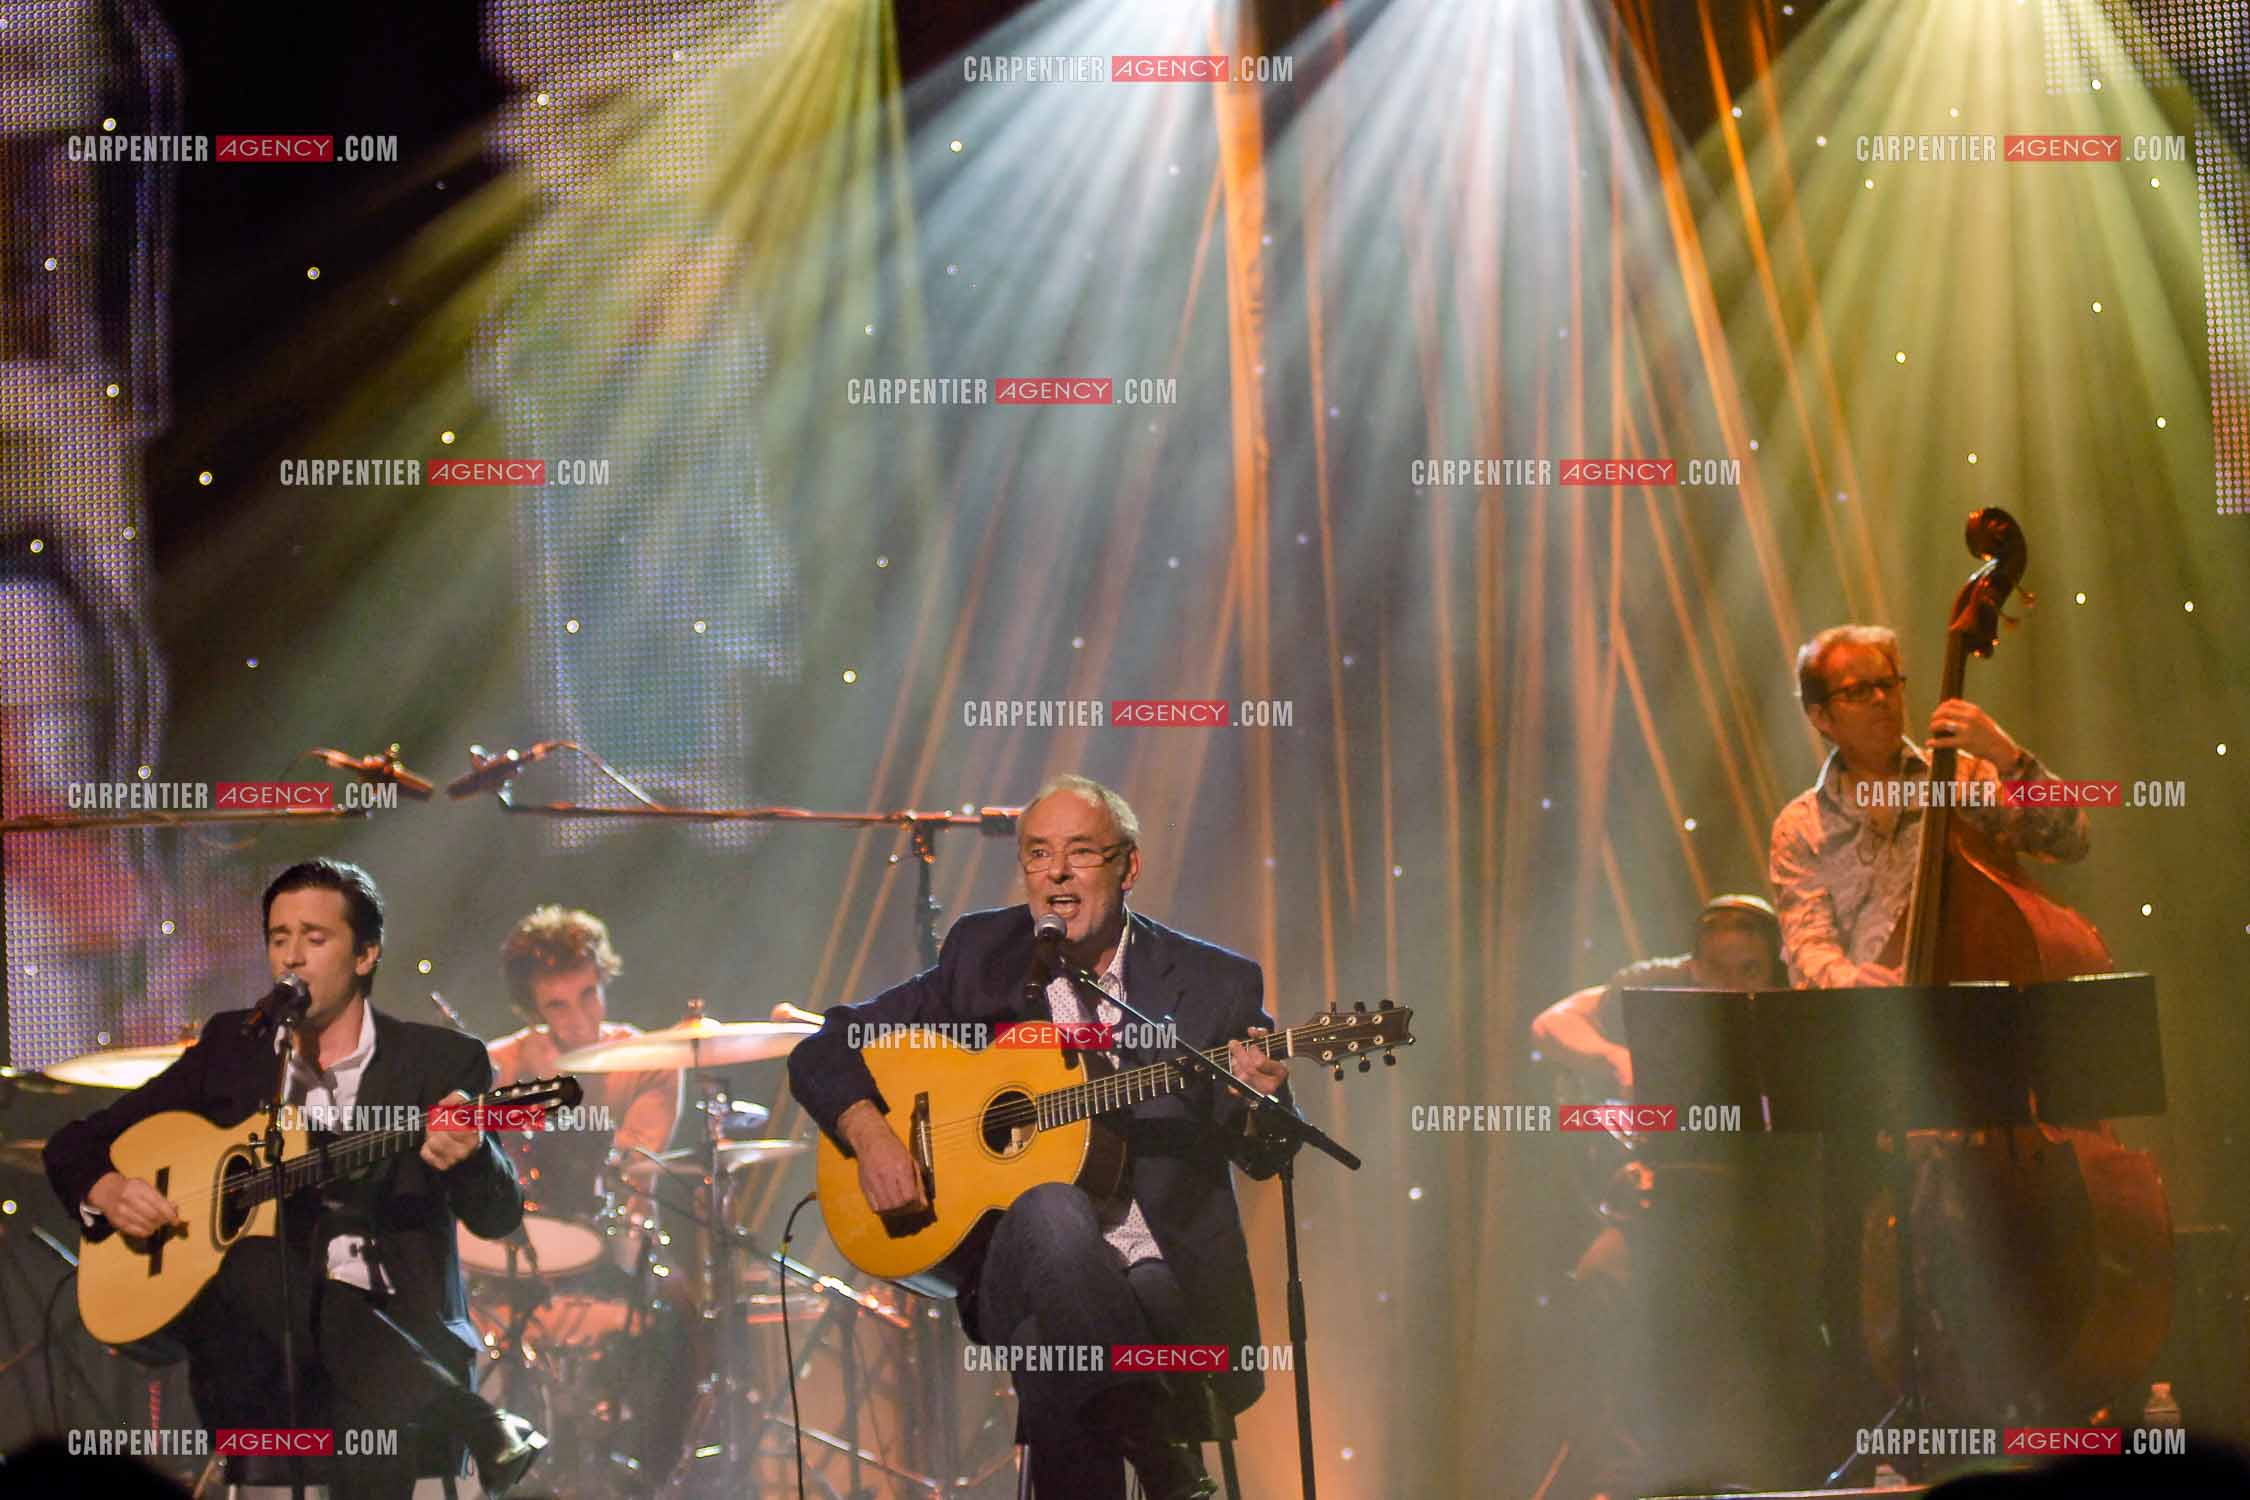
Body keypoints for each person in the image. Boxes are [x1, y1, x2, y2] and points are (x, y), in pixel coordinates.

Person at [788, 774, 1297, 1500]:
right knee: (1052, 1207)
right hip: (1009, 1266)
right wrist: (869, 1132)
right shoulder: (984, 954)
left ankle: (1141, 1437)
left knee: (1052, 1357)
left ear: (1129, 867)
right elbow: (823, 1047)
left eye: (1080, 852)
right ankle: (1161, 1458)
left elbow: (1269, 1152)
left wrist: (1261, 1098)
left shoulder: (1214, 983)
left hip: (1165, 1269)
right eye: (1036, 854)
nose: (1055, 873)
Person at [42, 858, 547, 1499]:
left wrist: (474, 1157)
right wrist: (110, 1190)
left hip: (400, 1345)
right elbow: (76, 1144)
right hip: (265, 1373)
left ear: (365, 955)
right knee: (254, 1258)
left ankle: (452, 1415)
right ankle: (477, 1423)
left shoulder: (443, 1062)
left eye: (315, 938)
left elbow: (498, 1217)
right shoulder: (235, 1050)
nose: (293, 958)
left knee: (279, 1273)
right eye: (279, 939)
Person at [1768, 624, 2091, 989]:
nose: (1880, 699)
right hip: (1875, 1024)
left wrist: (2009, 758)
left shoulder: (1962, 778)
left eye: (1888, 684)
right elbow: (1807, 942)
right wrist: (1850, 980)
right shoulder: (1800, 825)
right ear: (1820, 716)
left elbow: (2070, 840)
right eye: (1858, 691)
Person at [486, 904, 681, 1226]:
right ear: (534, 1011)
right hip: (520, 1238)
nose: (579, 1019)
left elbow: (630, 1169)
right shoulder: (499, 1065)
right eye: (558, 1006)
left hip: (618, 1245)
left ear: (604, 979)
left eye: (588, 994)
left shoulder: (650, 1062)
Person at [1530, 893, 1784, 1100]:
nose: (1733, 987)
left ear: (1775, 968)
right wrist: (1616, 1057)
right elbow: (1550, 1023)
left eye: (1750, 970)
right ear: (1694, 965)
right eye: (1717, 969)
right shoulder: (1661, 981)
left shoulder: (1800, 986)